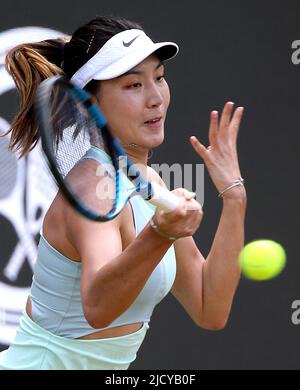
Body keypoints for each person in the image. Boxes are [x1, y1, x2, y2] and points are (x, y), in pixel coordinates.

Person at [0, 15, 247, 370]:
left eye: (159, 78)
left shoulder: (149, 182)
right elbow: (98, 308)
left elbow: (210, 308)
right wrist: (161, 233)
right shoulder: (91, 191)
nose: (155, 98)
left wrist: (234, 198)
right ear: (89, 103)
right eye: (133, 85)